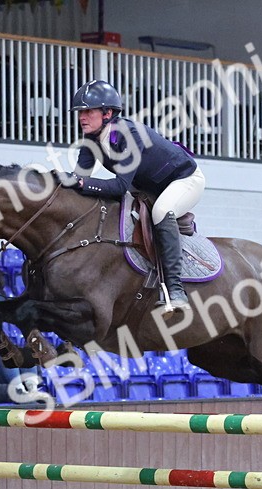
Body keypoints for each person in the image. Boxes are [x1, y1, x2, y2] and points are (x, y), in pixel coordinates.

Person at [65, 79, 205, 315]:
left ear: (108, 113)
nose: (82, 117)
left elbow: (119, 186)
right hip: (147, 185)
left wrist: (81, 182)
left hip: (184, 180)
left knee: (161, 211)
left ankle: (175, 290)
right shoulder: (91, 140)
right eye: (80, 112)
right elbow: (79, 178)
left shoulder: (129, 134)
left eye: (88, 111)